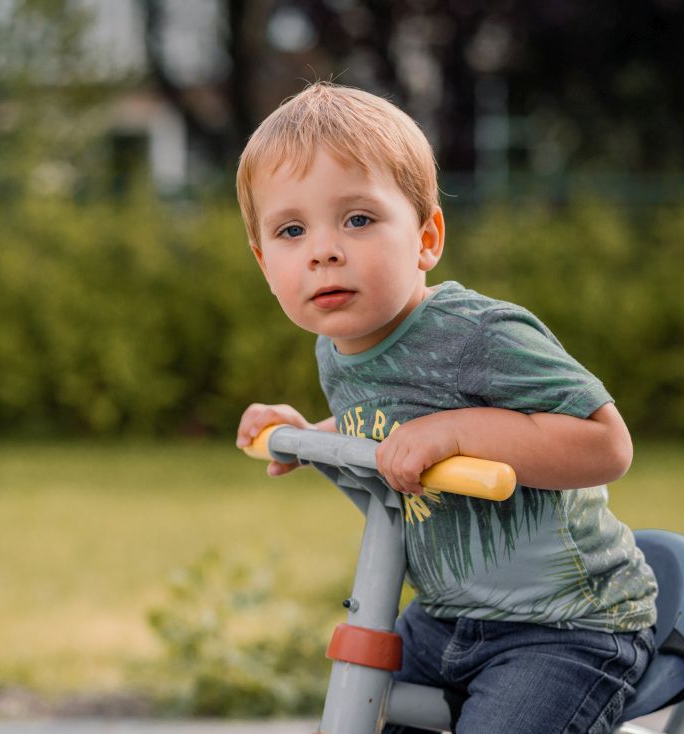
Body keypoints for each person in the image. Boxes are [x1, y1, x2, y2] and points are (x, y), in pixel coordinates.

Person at [234, 82, 657, 734]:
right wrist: (307, 435)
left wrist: (455, 431)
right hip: (444, 616)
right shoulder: (337, 349)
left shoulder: (476, 333)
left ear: (428, 237)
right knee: (354, 711)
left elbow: (606, 446)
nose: (323, 249)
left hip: (567, 623)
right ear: (265, 264)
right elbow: (386, 430)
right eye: (292, 230)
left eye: (358, 219)